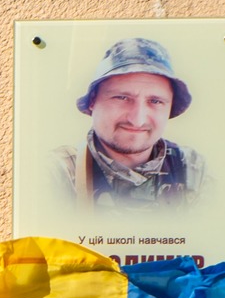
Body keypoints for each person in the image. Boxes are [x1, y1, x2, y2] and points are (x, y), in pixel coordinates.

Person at [50, 37, 209, 209]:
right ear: (92, 102)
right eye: (122, 98)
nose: (137, 120)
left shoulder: (194, 170)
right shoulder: (57, 173)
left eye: (155, 101)